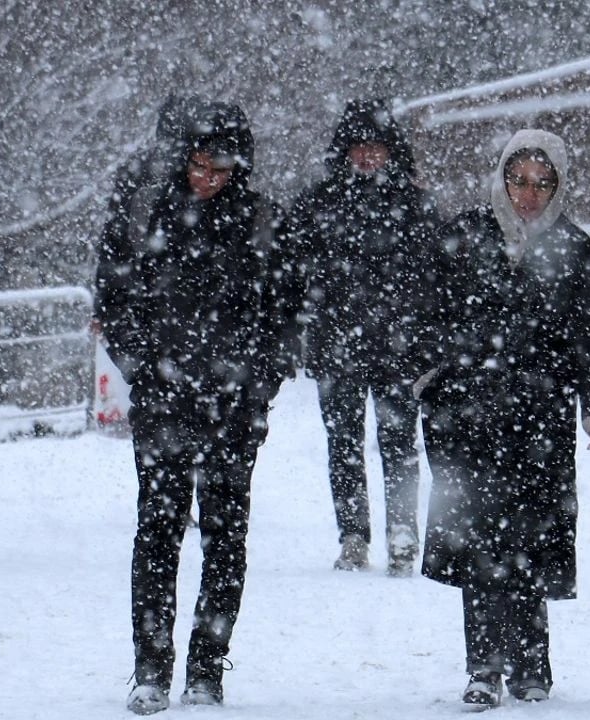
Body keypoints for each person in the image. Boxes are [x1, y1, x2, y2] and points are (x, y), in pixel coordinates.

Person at [94, 100, 302, 715]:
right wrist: (141, 370)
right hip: (162, 401)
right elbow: (115, 297)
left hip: (234, 408)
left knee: (224, 535)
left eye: (218, 165)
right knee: (156, 532)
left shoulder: (265, 223)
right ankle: (150, 668)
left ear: (238, 165)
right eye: (196, 163)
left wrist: (259, 384)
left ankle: (207, 669)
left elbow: (287, 316)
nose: (205, 176)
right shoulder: (144, 216)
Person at [412, 129, 590, 708]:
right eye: (519, 180)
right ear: (501, 179)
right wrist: (431, 371)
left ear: (558, 184)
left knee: (531, 535)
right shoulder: (463, 236)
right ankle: (484, 665)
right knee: (479, 538)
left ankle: (531, 662)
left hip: (540, 416)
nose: (528, 193)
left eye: (542, 182)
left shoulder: (572, 248)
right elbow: (425, 311)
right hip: (467, 416)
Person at [289, 98, 442, 576]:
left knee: (399, 442)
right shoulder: (317, 205)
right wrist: (307, 330)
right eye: (360, 147)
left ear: (392, 150)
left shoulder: (417, 207)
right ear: (345, 150)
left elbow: (437, 277)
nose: (368, 157)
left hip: (400, 348)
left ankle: (402, 532)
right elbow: (295, 275)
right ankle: (353, 533)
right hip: (338, 345)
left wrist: (427, 337)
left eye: (376, 147)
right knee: (344, 443)